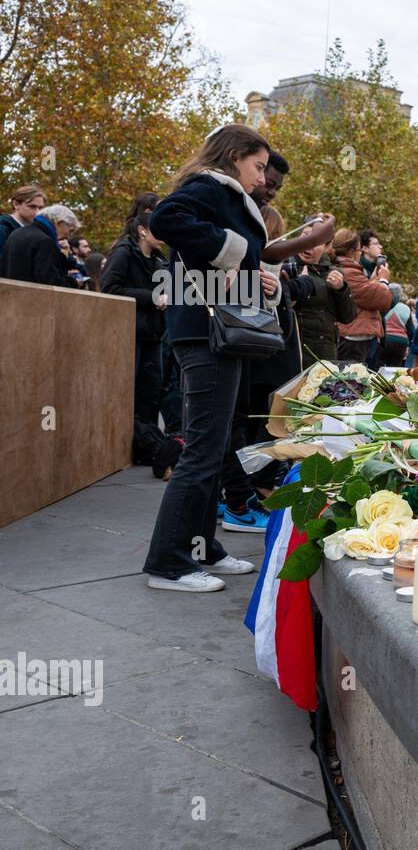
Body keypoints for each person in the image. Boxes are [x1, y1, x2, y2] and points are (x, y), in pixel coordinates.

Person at [142, 124, 280, 592]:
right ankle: (169, 563)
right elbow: (165, 220)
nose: (262, 178)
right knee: (202, 449)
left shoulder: (224, 193)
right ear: (234, 156)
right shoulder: (209, 186)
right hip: (205, 331)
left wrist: (254, 272)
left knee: (215, 446)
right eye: (258, 166)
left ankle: (201, 548)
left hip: (217, 331)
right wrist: (235, 250)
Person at [101, 211, 181, 477]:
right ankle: (141, 447)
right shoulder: (123, 254)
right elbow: (109, 289)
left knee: (150, 392)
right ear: (142, 231)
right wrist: (151, 297)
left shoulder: (158, 259)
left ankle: (145, 448)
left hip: (153, 335)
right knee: (130, 394)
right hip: (131, 334)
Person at [286, 240, 354, 364]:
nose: (309, 245)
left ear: (327, 247)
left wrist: (341, 289)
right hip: (294, 351)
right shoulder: (286, 265)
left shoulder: (332, 272)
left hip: (325, 353)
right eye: (306, 236)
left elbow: (349, 317)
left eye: (316, 242)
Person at [332, 229, 390, 364]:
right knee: (351, 381)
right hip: (352, 337)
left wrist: (373, 280)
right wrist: (383, 280)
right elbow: (382, 299)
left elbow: (364, 293)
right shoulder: (348, 271)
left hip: (353, 336)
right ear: (352, 251)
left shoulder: (347, 269)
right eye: (359, 251)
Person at [2, 203, 80, 286]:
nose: (69, 236)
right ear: (59, 223)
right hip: (30, 296)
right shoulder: (45, 241)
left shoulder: (16, 233)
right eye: (70, 231)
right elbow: (50, 281)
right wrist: (73, 282)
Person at [0, 184, 45, 260]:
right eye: (32, 206)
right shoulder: (2, 230)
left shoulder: (38, 231)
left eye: (40, 208)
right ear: (16, 204)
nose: (38, 212)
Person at [381, 288, 414, 366]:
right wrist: (409, 342)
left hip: (385, 339)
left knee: (379, 365)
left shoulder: (384, 304)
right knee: (394, 367)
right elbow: (411, 330)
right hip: (401, 341)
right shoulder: (406, 308)